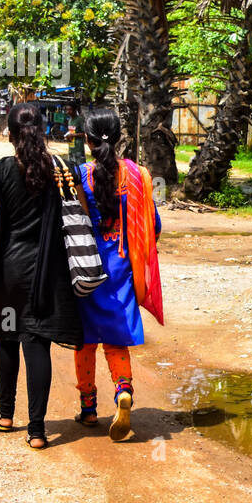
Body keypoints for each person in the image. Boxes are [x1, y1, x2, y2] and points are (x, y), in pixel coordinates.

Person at [0, 103, 82, 451]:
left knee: (6, 337)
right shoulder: (63, 171)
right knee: (37, 344)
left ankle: (5, 415)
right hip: (48, 274)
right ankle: (37, 431)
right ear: (42, 129)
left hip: (9, 275)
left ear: (9, 132)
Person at [70, 107, 164, 441]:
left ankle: (88, 407)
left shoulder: (80, 174)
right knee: (114, 338)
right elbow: (154, 226)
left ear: (87, 139)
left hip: (87, 265)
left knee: (85, 339)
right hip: (124, 264)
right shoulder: (138, 175)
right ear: (121, 136)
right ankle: (123, 390)